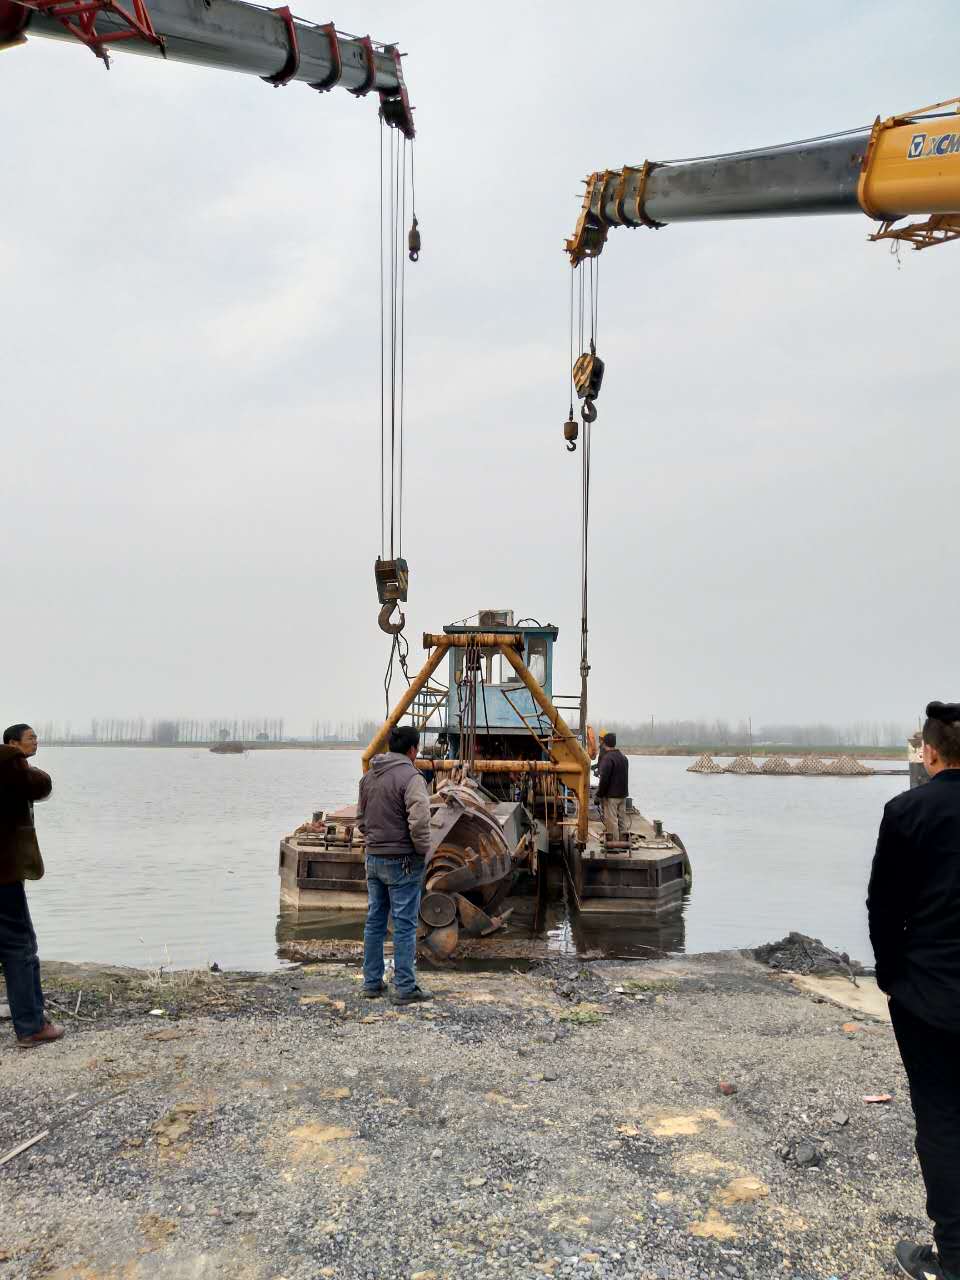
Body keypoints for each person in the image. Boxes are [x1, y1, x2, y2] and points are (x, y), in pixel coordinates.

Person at [868, 701, 960, 1280]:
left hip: (930, 998)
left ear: (927, 753)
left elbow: (884, 907)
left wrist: (890, 974)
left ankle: (952, 1258)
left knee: (943, 1119)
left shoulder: (907, 811)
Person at [357, 724, 432, 1004]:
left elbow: (360, 820)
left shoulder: (368, 777)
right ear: (413, 750)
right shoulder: (412, 777)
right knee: (404, 924)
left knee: (375, 921)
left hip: (373, 859)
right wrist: (422, 851)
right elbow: (420, 820)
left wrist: (375, 842)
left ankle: (372, 983)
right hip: (402, 861)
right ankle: (405, 988)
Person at [0, 724, 63, 1048]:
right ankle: (31, 1026)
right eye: (30, 738)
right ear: (12, 743)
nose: (35, 742)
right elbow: (40, 785)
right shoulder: (8, 760)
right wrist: (20, 759)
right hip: (3, 877)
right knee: (19, 948)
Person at [595, 731, 629, 840]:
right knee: (622, 819)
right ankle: (624, 842)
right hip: (623, 795)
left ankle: (614, 845)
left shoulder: (607, 758)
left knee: (612, 821)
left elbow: (604, 780)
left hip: (612, 796)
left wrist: (599, 794)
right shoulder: (624, 758)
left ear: (605, 744)